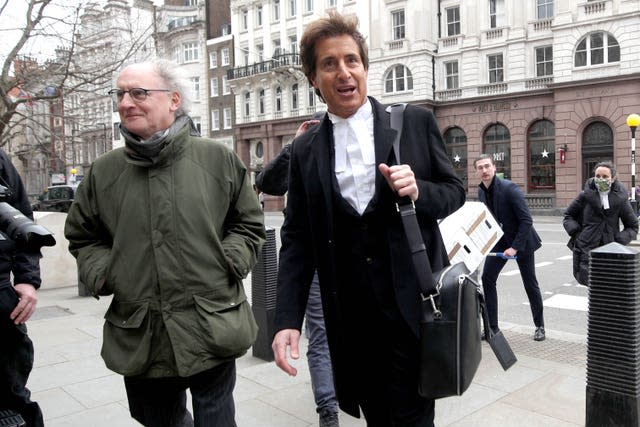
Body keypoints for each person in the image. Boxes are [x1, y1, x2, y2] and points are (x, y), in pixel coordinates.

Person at [271, 11, 465, 426]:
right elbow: (298, 240)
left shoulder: (412, 122)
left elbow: (454, 193)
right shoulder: (306, 150)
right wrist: (286, 319)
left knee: (414, 418)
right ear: (313, 78)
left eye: (351, 60)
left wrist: (419, 190)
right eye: (329, 64)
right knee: (377, 416)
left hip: (414, 314)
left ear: (364, 67)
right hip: (353, 324)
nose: (344, 72)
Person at [64, 60, 265, 427]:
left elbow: (248, 223)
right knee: (154, 417)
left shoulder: (216, 159)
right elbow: (82, 235)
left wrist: (230, 261)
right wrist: (104, 274)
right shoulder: (104, 172)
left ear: (174, 100)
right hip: (142, 331)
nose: (126, 102)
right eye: (120, 93)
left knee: (217, 419)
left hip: (211, 320)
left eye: (139, 93)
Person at [256, 117, 340, 427]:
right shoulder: (302, 152)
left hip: (351, 262)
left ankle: (346, 389)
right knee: (319, 335)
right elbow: (268, 183)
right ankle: (328, 409)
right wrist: (294, 146)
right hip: (315, 262)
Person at [474, 154, 546, 342]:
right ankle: (492, 328)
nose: (484, 170)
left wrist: (515, 248)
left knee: (530, 284)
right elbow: (489, 221)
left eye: (487, 166)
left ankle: (540, 326)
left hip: (522, 242)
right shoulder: (481, 192)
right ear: (476, 171)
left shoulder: (510, 188)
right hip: (500, 241)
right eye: (480, 167)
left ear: (494, 168)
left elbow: (526, 220)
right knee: (487, 278)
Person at [0, 148, 45, 427]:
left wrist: (27, 280)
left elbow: (24, 225)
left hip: (2, 300)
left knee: (12, 402)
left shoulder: (1, 161)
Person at [563, 161, 638, 286]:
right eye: (598, 176)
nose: (600, 179)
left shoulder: (620, 199)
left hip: (610, 251)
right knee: (591, 289)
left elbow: (633, 226)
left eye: (605, 177)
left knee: (606, 290)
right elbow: (568, 216)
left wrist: (618, 240)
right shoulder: (585, 196)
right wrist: (577, 234)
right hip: (586, 249)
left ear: (612, 178)